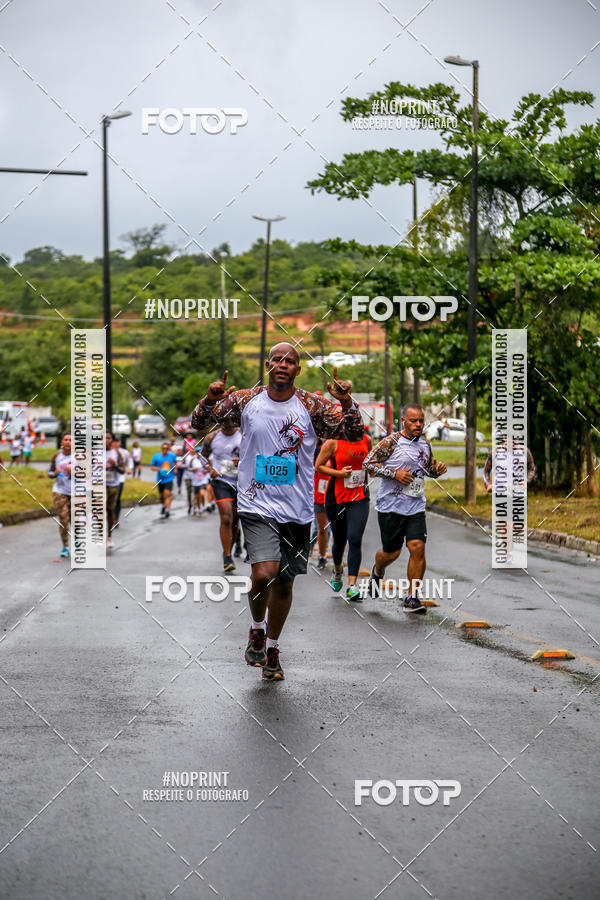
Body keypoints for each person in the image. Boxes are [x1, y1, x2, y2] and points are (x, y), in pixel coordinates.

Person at [191, 343, 364, 681]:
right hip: (256, 503)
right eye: (278, 360)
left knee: (284, 583)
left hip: (297, 509)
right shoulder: (245, 400)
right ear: (267, 365)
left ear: (298, 370)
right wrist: (210, 398)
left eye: (291, 361)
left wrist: (345, 401)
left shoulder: (313, 406)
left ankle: (271, 649)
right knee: (263, 573)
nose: (284, 365)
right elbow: (199, 423)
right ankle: (257, 627)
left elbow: (354, 433)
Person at [364, 403, 447, 613]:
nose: (418, 424)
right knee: (391, 553)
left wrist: (436, 471)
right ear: (404, 421)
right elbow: (368, 463)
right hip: (390, 506)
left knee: (417, 547)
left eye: (421, 421)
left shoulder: (425, 445)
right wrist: (395, 474)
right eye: (413, 421)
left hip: (415, 506)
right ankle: (378, 569)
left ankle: (412, 597)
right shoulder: (391, 442)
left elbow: (426, 470)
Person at [315, 427, 371, 601]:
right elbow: (318, 466)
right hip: (336, 498)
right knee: (339, 541)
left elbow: (371, 462)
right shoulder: (333, 442)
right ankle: (338, 570)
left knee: (355, 538)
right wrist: (339, 473)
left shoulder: (366, 440)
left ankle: (352, 585)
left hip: (360, 496)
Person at [199, 424, 242, 572]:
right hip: (221, 482)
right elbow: (202, 457)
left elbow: (257, 454)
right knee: (226, 517)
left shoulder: (245, 434)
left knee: (236, 520)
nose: (227, 421)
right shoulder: (211, 437)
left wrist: (241, 462)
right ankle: (228, 557)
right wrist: (210, 469)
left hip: (241, 483)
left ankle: (227, 551)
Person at [48, 433, 72, 558]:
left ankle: (78, 541)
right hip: (60, 490)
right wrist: (55, 473)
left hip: (77, 492)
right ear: (62, 442)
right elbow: (49, 473)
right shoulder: (57, 456)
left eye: (71, 440)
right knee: (63, 519)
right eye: (66, 440)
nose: (68, 442)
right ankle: (65, 546)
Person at [312, 439, 330, 571]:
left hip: (336, 494)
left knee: (339, 530)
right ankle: (322, 556)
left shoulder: (337, 448)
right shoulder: (316, 450)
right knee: (322, 528)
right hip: (319, 494)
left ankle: (337, 558)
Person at [105, 433, 125, 548]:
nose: (106, 440)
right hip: (99, 484)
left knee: (110, 510)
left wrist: (115, 465)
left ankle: (109, 536)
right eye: (104, 438)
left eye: (109, 438)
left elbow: (122, 470)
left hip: (113, 484)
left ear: (112, 440)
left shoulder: (116, 453)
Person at [151, 441, 177, 518]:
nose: (165, 449)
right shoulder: (156, 456)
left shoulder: (172, 456)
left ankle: (167, 510)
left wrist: (175, 469)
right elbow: (152, 467)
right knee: (161, 496)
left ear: (168, 449)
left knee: (167, 494)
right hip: (160, 479)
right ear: (161, 449)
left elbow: (175, 463)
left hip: (169, 479)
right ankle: (163, 505)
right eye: (163, 448)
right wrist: (159, 469)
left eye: (166, 448)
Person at [114, 438, 132, 527]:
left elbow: (130, 462)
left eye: (116, 441)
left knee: (117, 499)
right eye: (113, 441)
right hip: (106, 480)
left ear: (119, 442)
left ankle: (115, 519)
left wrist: (129, 469)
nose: (115, 443)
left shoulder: (124, 452)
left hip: (119, 479)